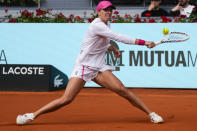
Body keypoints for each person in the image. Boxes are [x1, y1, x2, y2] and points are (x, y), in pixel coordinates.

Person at [16, 0, 164, 125]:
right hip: (84, 66)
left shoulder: (106, 24)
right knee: (66, 99)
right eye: (106, 10)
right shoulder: (97, 25)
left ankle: (151, 114)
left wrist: (111, 48)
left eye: (111, 10)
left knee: (121, 89)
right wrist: (145, 42)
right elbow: (118, 37)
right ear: (99, 12)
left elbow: (101, 42)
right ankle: (31, 115)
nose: (109, 12)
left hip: (99, 66)